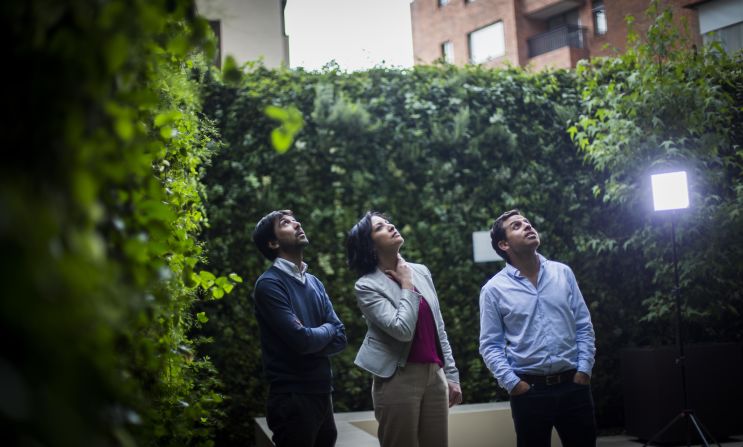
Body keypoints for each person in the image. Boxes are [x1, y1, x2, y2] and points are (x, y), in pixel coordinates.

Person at [479, 209, 597, 447]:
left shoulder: (563, 273)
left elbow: (584, 325)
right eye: (516, 226)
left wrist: (583, 370)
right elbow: (490, 345)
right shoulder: (493, 289)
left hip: (574, 385)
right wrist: (514, 384)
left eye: (527, 222)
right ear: (504, 244)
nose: (527, 226)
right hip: (529, 392)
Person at [346, 211, 462, 447]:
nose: (390, 226)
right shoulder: (366, 286)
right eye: (379, 227)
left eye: (388, 222)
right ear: (369, 245)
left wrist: (451, 375)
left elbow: (438, 327)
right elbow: (402, 330)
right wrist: (407, 284)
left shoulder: (421, 271)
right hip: (397, 378)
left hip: (435, 375)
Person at [252, 210, 347, 447]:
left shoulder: (314, 282)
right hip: (292, 398)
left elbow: (341, 336)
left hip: (323, 393)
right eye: (285, 223)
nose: (297, 223)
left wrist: (314, 336)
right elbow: (302, 340)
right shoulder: (269, 284)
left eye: (294, 220)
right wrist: (326, 330)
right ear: (273, 242)